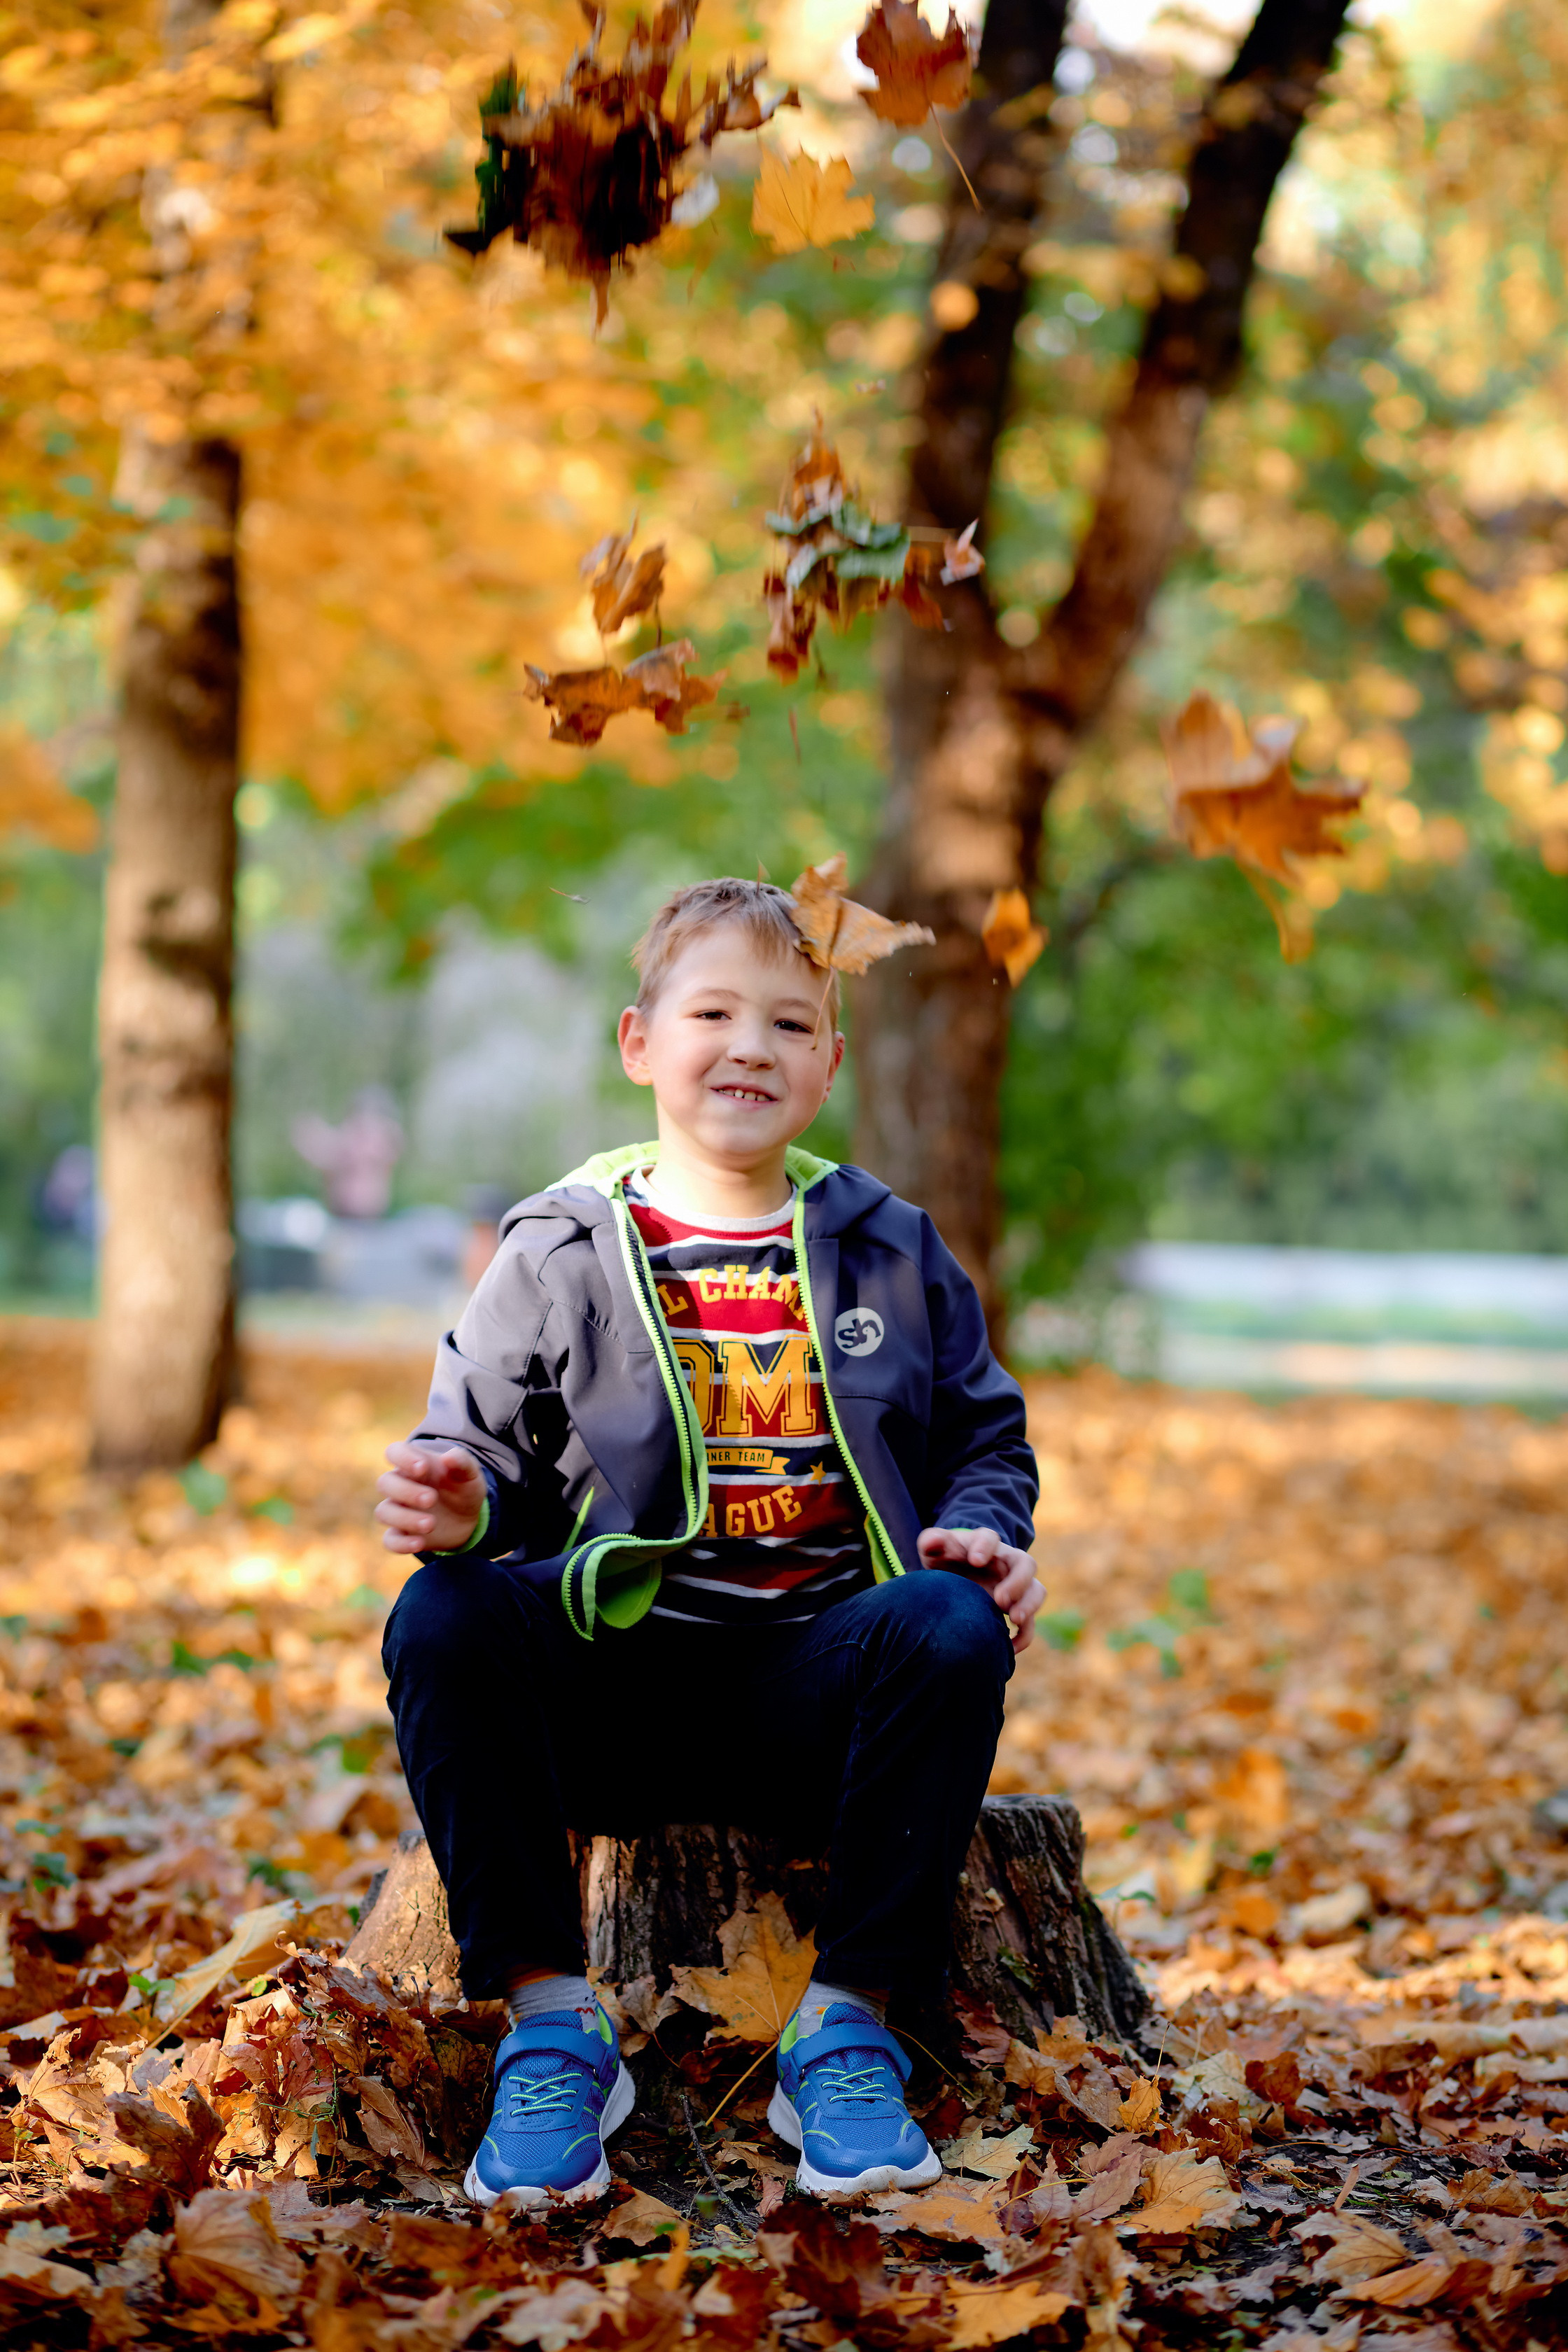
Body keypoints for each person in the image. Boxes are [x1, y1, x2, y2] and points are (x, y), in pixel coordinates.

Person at [373, 876, 1044, 2211]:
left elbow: (985, 1436)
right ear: (640, 1042)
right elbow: (488, 1453)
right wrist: (465, 1504)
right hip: (604, 1698)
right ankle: (555, 2025)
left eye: (793, 1023)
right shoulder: (564, 1248)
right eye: (716, 1011)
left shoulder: (888, 1248)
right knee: (441, 1617)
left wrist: (980, 1526)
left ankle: (845, 2027)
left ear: (831, 1063)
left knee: (954, 1626)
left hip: (817, 1701)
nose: (753, 1045)